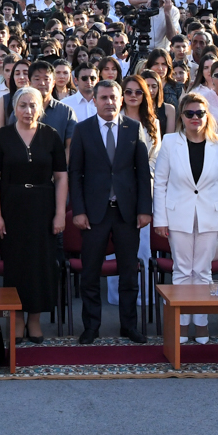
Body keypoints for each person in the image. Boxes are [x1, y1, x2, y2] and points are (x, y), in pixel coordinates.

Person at [68, 79, 153, 344]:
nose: (109, 102)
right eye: (104, 98)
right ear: (94, 101)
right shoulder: (82, 129)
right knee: (90, 272)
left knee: (129, 272)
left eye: (114, 97)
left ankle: (129, 326)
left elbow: (143, 173)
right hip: (94, 213)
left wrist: (145, 209)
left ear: (121, 99)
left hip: (127, 212)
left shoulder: (133, 128)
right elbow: (75, 174)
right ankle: (91, 327)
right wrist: (78, 210)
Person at [0, 86, 67, 343]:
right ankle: (17, 319)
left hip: (44, 208)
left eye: (33, 105)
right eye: (23, 105)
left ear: (40, 108)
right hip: (12, 207)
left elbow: (61, 177)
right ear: (14, 108)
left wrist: (60, 213)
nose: (28, 110)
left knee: (41, 265)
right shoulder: (2, 137)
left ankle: (34, 320)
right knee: (16, 265)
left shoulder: (51, 135)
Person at [155, 92, 218, 345]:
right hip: (177, 214)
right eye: (189, 113)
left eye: (200, 113)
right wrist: (160, 219)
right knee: (181, 270)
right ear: (181, 116)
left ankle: (201, 324)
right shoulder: (170, 142)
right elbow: (160, 182)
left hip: (210, 215)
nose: (195, 117)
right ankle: (180, 324)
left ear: (207, 115)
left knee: (202, 271)